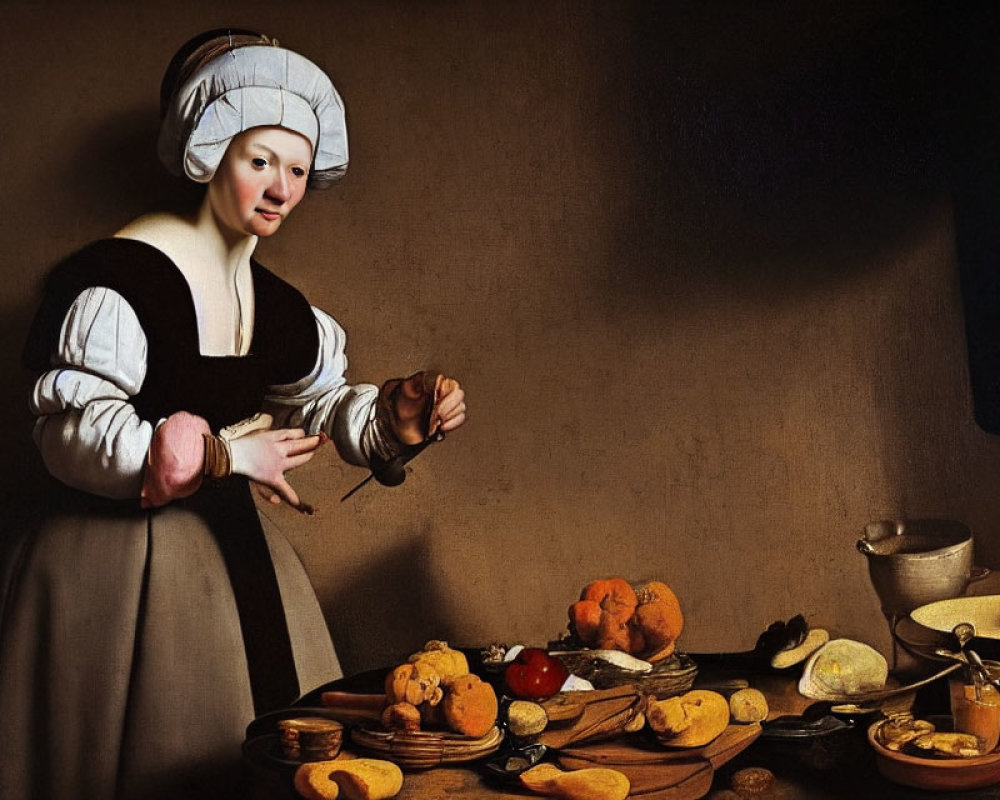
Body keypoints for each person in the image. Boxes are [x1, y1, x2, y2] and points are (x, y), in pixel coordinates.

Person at [0, 29, 466, 800]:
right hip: (112, 578)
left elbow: (315, 403)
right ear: (213, 153)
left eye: (296, 168)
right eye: (260, 162)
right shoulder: (120, 280)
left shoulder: (275, 305)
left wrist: (390, 419)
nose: (281, 188)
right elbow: (70, 433)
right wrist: (221, 458)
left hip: (235, 566)